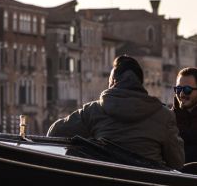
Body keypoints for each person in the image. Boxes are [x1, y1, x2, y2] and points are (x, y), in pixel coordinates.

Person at [48, 55, 185, 169]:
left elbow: (55, 132)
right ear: (140, 84)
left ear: (112, 82)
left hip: (106, 184)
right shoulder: (164, 115)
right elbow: (177, 162)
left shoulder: (94, 110)